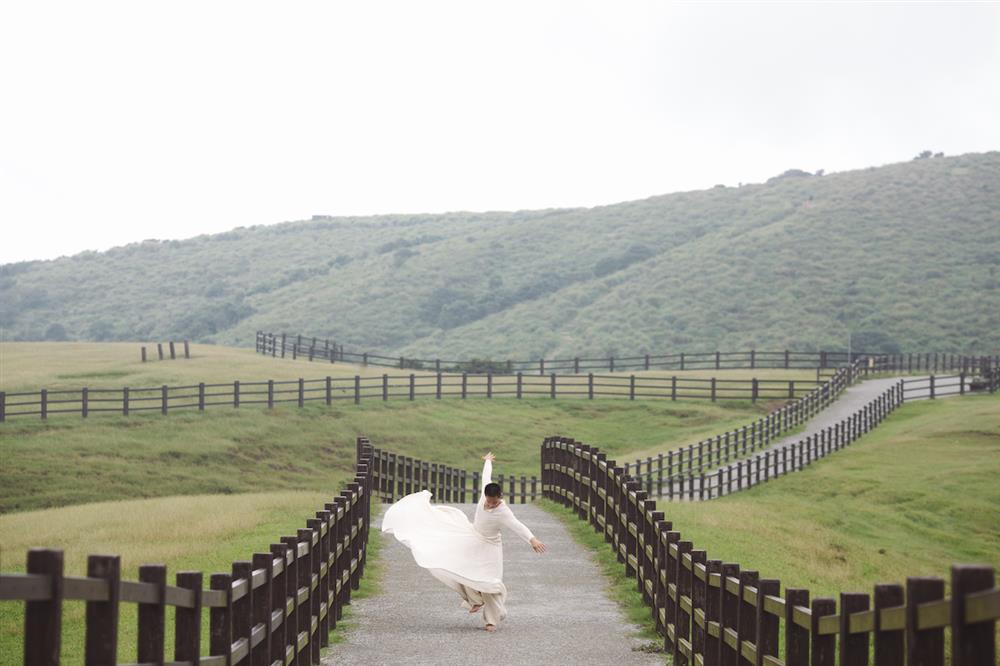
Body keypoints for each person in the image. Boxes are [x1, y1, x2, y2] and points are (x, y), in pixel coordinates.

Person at [381, 451, 546, 632]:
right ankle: (474, 600)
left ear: (500, 496)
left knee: (489, 582)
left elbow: (518, 526)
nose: (490, 504)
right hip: (473, 537)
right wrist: (488, 461)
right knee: (461, 567)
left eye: (494, 501)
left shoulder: (504, 512)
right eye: (489, 501)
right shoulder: (485, 495)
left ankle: (491, 620)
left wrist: (532, 539)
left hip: (491, 546)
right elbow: (486, 476)